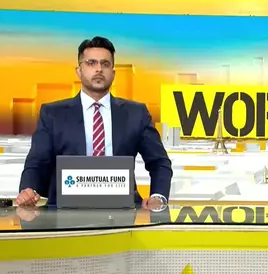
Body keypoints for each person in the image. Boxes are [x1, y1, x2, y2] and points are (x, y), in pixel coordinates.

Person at [16, 36, 172, 209]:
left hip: (123, 211)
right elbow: (37, 162)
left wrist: (158, 197)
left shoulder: (136, 113)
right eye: (91, 63)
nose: (99, 69)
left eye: (105, 64)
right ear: (79, 71)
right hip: (64, 211)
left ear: (113, 72)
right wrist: (28, 189)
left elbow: (159, 162)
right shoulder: (53, 114)